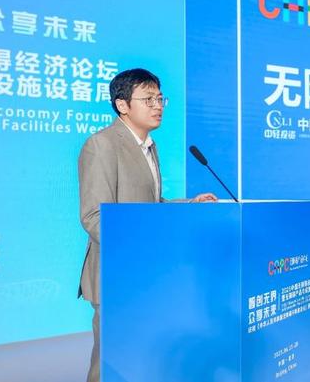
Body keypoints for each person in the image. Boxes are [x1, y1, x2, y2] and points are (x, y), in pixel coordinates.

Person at [77, 68, 217, 382]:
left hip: (146, 272)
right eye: (148, 99)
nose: (158, 106)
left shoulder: (149, 146)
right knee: (109, 363)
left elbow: (149, 205)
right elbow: (94, 216)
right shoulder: (102, 145)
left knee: (137, 359)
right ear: (122, 105)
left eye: (160, 98)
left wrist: (188, 204)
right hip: (116, 271)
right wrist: (139, 248)